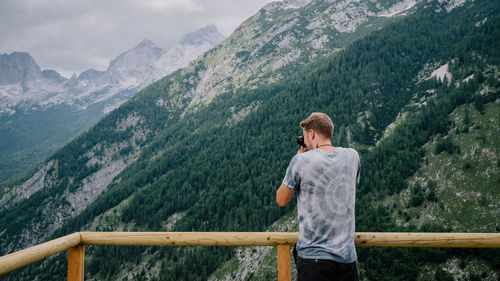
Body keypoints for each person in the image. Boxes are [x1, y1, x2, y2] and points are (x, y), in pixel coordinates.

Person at [276, 112, 360, 281]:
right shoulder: (353, 156)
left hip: (313, 259)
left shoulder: (302, 160)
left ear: (312, 133)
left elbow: (281, 200)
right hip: (347, 258)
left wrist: (299, 159)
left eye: (305, 136)